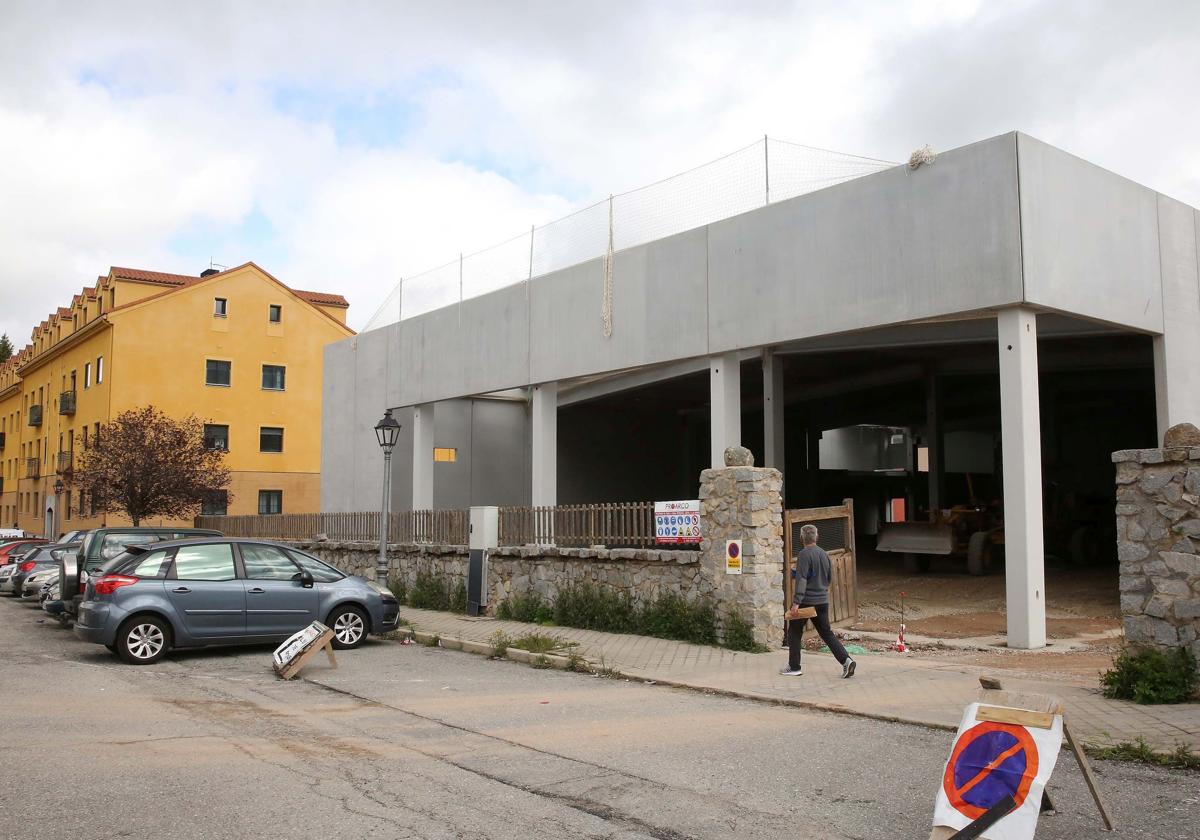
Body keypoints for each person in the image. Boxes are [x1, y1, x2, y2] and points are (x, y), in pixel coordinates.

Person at [780, 523, 856, 678]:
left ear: (801, 538)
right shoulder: (824, 554)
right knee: (826, 633)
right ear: (817, 537)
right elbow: (827, 577)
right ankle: (846, 660)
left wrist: (796, 603)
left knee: (794, 632)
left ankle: (794, 667)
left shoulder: (803, 554)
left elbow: (802, 580)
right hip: (822, 601)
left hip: (806, 601)